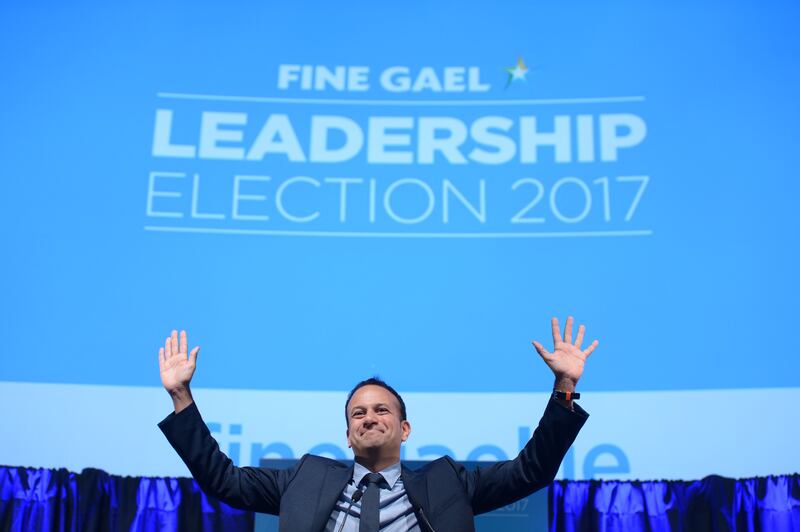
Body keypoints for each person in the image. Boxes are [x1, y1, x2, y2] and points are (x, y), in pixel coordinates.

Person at [158, 317, 598, 532]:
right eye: (358, 413)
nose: (369, 416)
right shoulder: (303, 478)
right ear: (348, 435)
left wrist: (564, 386)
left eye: (382, 410)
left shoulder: (448, 482)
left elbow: (531, 471)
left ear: (405, 429)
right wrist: (181, 395)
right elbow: (221, 479)